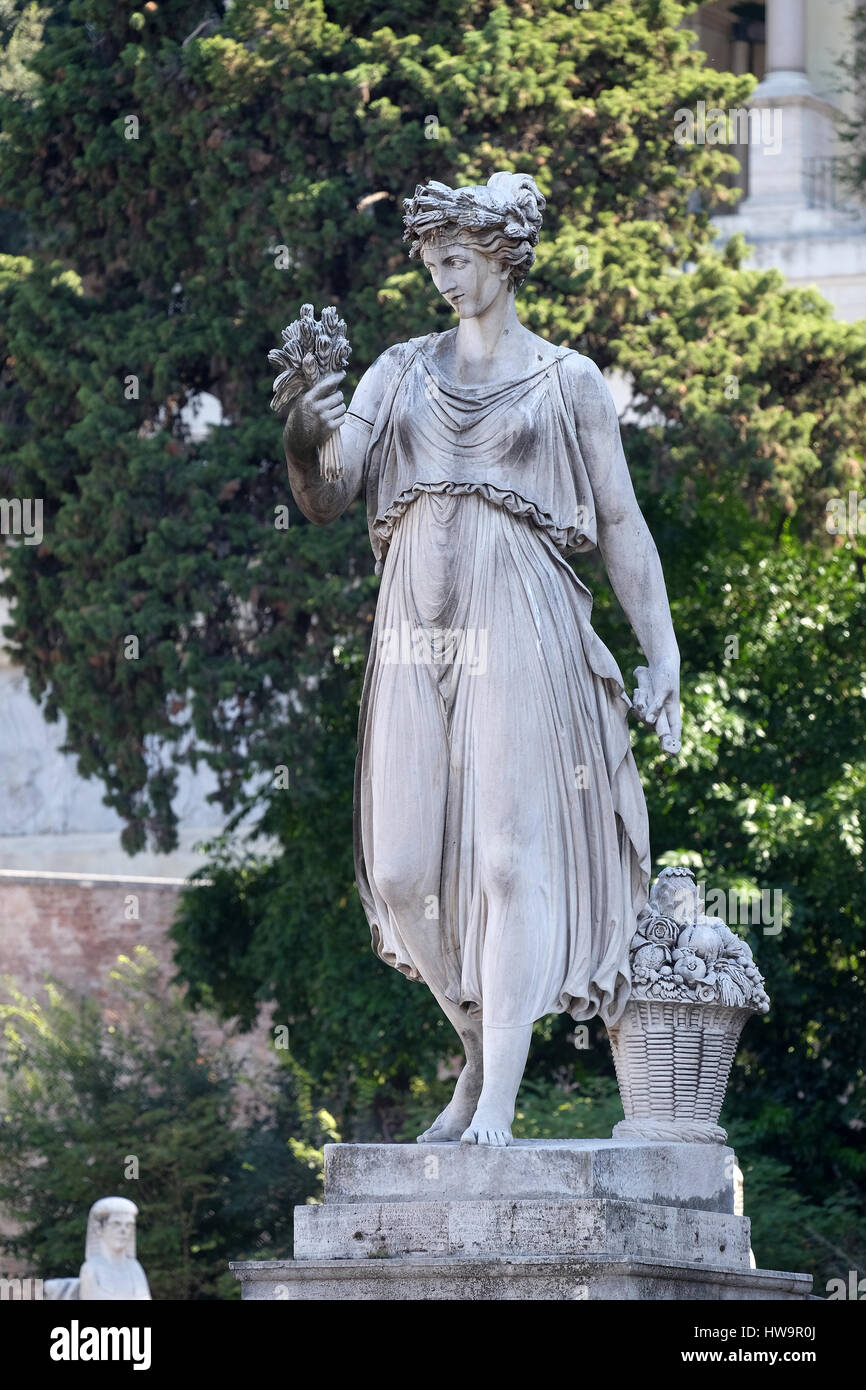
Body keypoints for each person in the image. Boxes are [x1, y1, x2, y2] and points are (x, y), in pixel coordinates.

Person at [283, 171, 681, 1147]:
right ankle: (472, 1048)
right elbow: (329, 493)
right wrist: (300, 431)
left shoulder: (566, 380)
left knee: (509, 859)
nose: (443, 279)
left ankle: (497, 1101)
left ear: (502, 252)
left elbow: (621, 522)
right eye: (430, 263)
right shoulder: (397, 369)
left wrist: (659, 653)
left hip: (522, 610)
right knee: (406, 866)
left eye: (456, 260)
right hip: (413, 617)